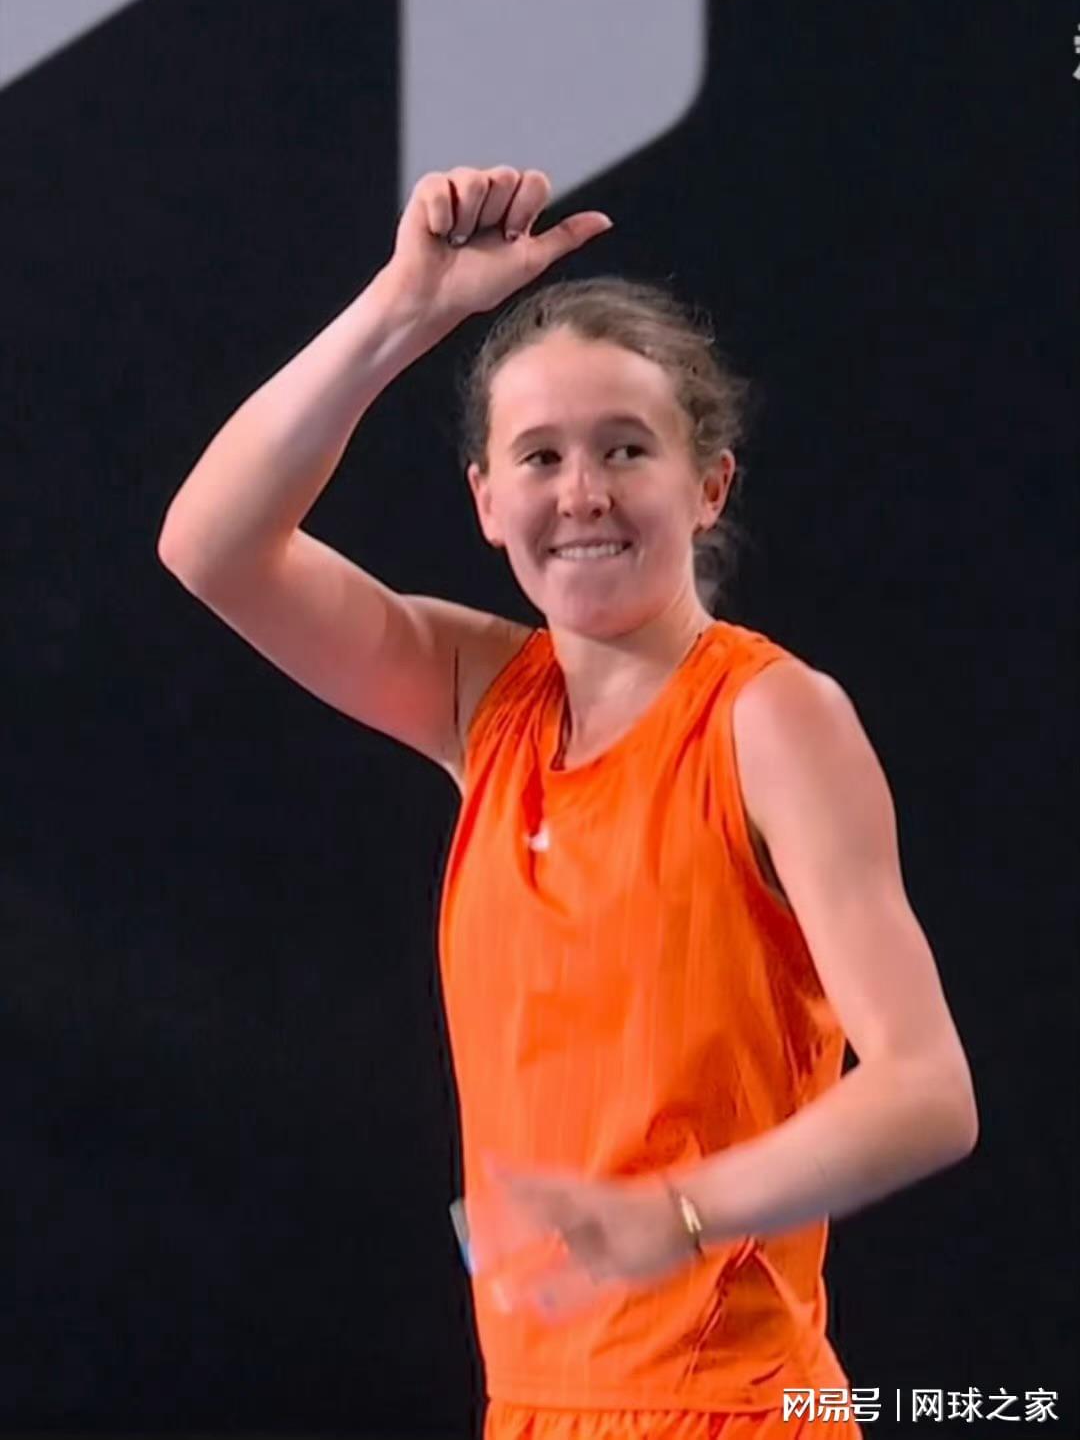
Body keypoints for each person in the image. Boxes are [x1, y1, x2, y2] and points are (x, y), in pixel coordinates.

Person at [158, 166, 979, 1439]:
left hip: (734, 1411)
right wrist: (403, 308)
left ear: (708, 487)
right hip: (537, 1409)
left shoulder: (772, 719)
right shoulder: (483, 700)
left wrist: (685, 1212)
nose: (582, 493)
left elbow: (928, 1091)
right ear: (487, 501)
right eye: (539, 456)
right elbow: (211, 544)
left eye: (625, 449)